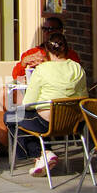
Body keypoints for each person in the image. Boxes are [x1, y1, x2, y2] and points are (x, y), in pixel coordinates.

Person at [14, 32, 87, 175]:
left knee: (12, 117)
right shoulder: (77, 68)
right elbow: (84, 97)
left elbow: (29, 103)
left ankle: (41, 154)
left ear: (47, 51)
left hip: (46, 122)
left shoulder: (42, 69)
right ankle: (43, 155)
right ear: (66, 48)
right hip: (72, 123)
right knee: (23, 118)